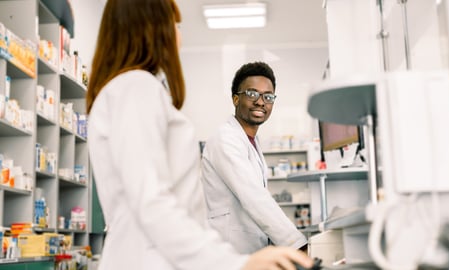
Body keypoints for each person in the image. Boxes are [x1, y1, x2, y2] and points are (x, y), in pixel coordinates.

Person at [86, 0, 313, 270]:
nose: (179, 34)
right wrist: (235, 263)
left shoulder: (128, 90)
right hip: (148, 259)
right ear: (154, 29)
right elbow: (152, 203)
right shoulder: (136, 88)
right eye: (176, 24)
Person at [200, 61, 308, 254]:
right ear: (235, 99)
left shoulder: (251, 141)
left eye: (268, 96)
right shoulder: (226, 139)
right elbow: (254, 197)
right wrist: (297, 244)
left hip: (248, 249)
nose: (260, 102)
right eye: (252, 94)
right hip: (229, 251)